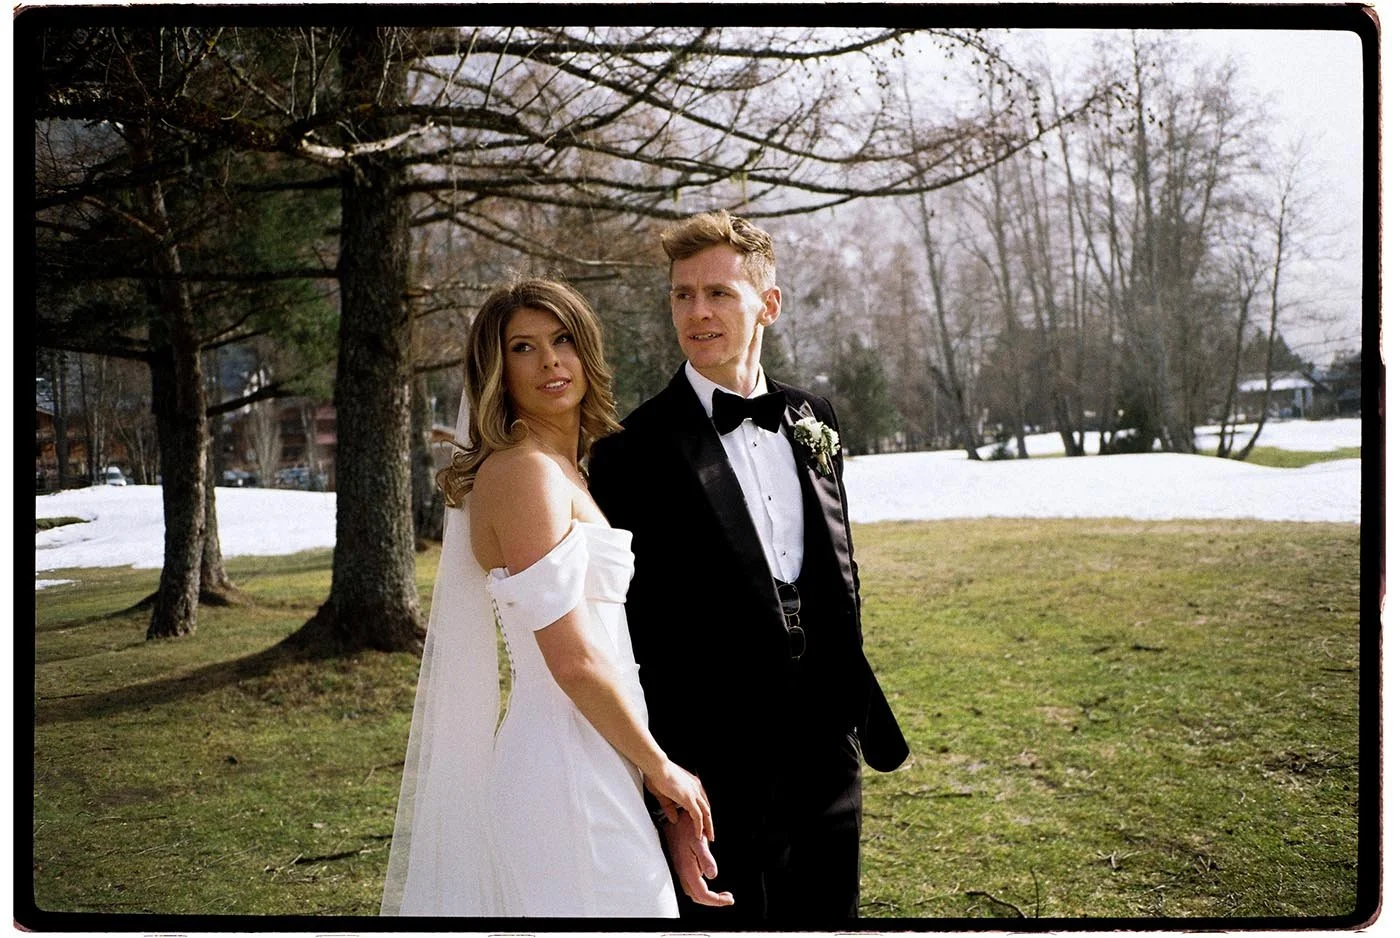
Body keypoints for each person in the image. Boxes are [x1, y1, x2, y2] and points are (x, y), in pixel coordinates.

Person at [589, 211, 909, 924]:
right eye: (681, 295)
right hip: (716, 762)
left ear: (768, 303)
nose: (696, 312)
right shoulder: (629, 451)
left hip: (829, 742)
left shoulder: (812, 416)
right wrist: (668, 791)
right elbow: (636, 637)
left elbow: (834, 574)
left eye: (718, 293)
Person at [381, 278, 714, 918]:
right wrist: (661, 768)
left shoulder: (566, 469)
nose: (552, 361)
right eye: (524, 348)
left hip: (596, 749)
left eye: (562, 340)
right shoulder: (525, 471)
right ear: (496, 371)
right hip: (564, 764)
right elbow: (572, 661)